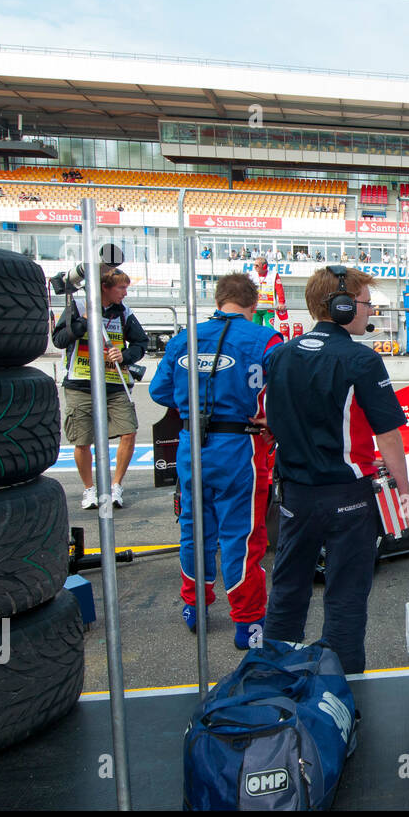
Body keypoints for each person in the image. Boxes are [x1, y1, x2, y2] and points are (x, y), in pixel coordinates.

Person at [263, 266, 409, 674]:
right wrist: (403, 491)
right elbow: (389, 435)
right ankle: (341, 690)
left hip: (294, 494)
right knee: (345, 595)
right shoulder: (361, 359)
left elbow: (270, 421)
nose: (371, 312)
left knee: (288, 590)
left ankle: (276, 677)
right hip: (348, 497)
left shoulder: (279, 354)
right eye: (366, 304)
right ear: (342, 306)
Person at [149, 272, 282, 650]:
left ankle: (194, 607)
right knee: (243, 535)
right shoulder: (266, 339)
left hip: (192, 445)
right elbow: (289, 389)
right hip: (241, 446)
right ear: (254, 305)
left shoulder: (183, 339)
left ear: (218, 300)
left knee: (194, 528)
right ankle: (249, 622)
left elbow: (160, 392)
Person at [51, 253, 148, 510]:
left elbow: (141, 343)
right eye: (121, 288)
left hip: (115, 382)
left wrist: (125, 355)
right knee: (82, 440)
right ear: (104, 287)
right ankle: (89, 489)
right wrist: (81, 326)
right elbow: (59, 339)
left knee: (129, 431)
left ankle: (116, 486)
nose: (125, 293)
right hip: (81, 383)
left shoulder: (125, 312)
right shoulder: (80, 307)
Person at [250, 255, 288, 328]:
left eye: (257, 265)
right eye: (254, 265)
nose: (255, 267)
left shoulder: (273, 275)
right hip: (255, 308)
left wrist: (281, 302)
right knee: (255, 330)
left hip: (269, 308)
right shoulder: (251, 275)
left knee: (269, 330)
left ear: (264, 266)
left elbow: (280, 290)